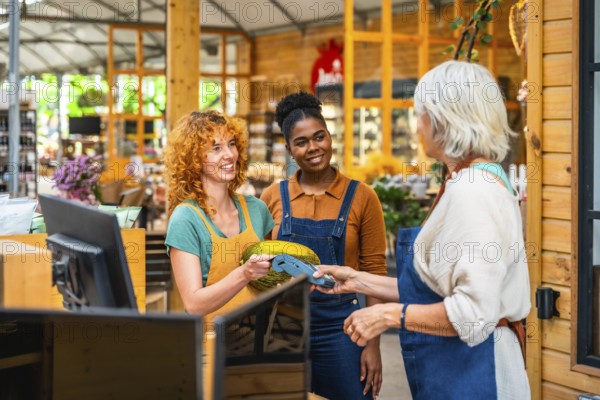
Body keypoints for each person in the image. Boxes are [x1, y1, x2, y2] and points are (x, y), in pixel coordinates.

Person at [314, 60, 531, 399]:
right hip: (463, 369)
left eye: (422, 114)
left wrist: (386, 315)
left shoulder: (472, 191)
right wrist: (356, 280)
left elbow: (473, 315)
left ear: (446, 119)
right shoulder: (474, 179)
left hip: (478, 374)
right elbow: (436, 291)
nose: (417, 126)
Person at [260, 92, 387, 399]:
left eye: (320, 137)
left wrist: (373, 344)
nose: (313, 147)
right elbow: (261, 272)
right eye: (301, 142)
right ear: (290, 149)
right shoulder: (272, 197)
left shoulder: (362, 196)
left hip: (345, 330)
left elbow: (375, 273)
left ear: (330, 137)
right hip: (283, 330)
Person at [163, 110, 273, 397]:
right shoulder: (186, 219)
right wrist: (244, 273)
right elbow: (195, 304)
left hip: (262, 346)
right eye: (215, 148)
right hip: (209, 353)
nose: (229, 155)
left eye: (231, 144)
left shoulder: (257, 210)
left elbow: (272, 279)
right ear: (193, 159)